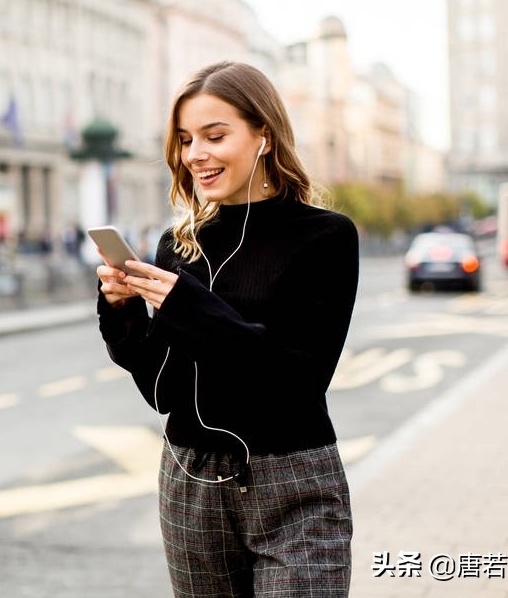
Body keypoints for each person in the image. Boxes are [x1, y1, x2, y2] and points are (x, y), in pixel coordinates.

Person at [95, 61, 359, 597]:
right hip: (190, 481)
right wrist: (122, 313)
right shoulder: (179, 245)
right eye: (185, 139)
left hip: (292, 480)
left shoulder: (325, 237)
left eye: (215, 136)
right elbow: (163, 390)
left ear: (264, 135)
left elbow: (298, 380)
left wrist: (188, 305)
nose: (195, 154)